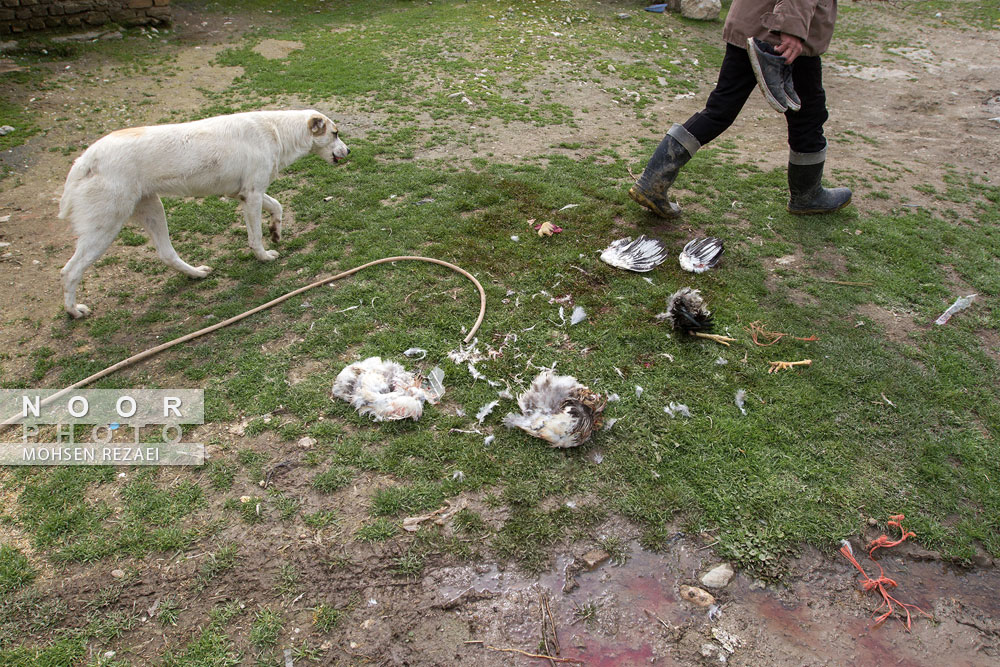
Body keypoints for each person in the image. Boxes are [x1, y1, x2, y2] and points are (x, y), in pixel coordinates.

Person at [629, 0, 851, 217]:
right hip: (782, 33)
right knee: (808, 114)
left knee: (721, 109)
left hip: (753, 19)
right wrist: (791, 28)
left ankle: (653, 181)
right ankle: (807, 195)